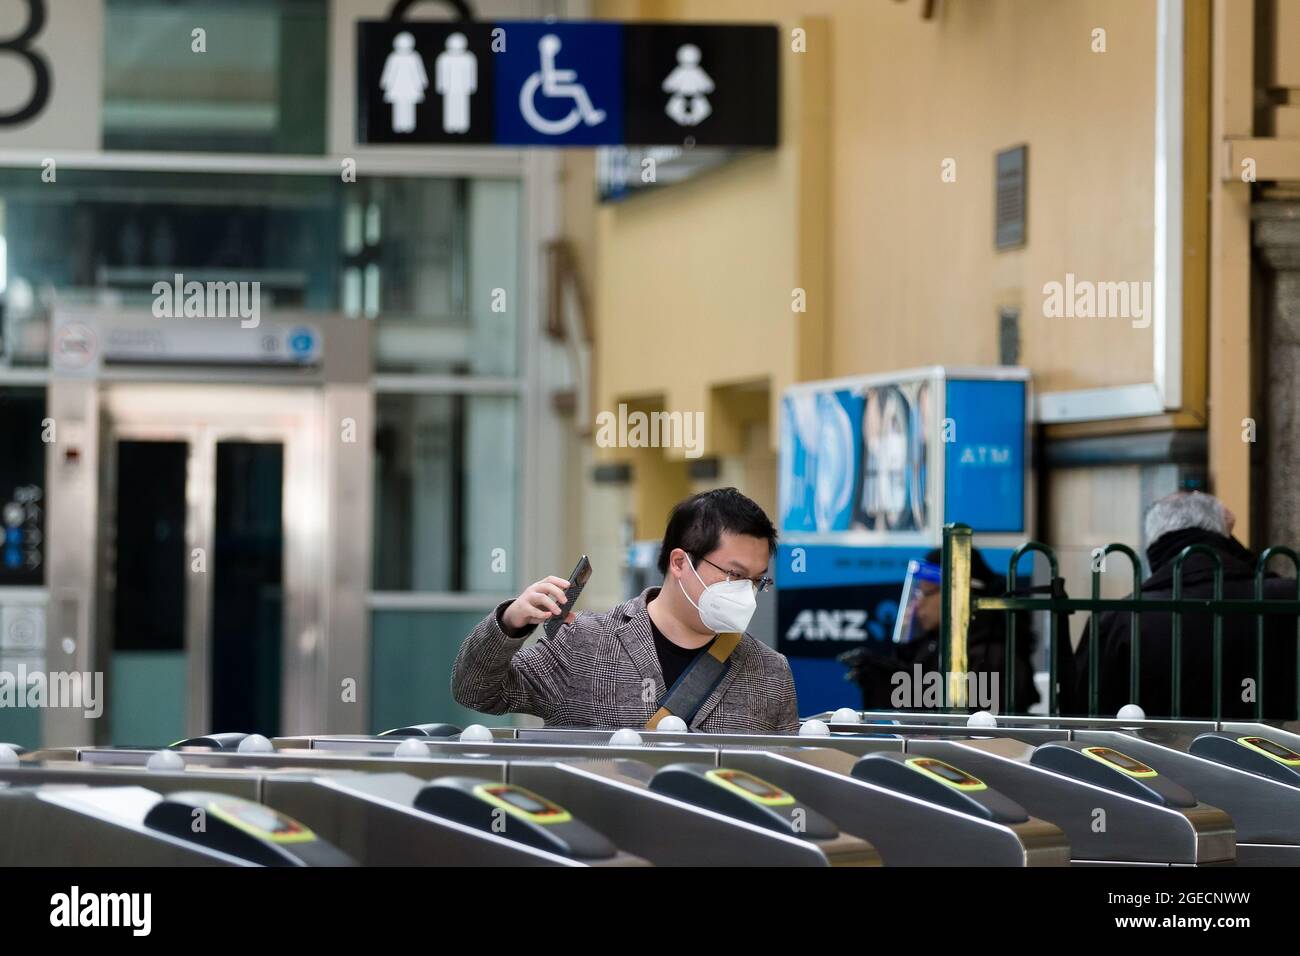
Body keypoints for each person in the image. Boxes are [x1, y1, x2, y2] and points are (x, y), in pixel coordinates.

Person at [451, 488, 799, 733]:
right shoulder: (585, 644)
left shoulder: (769, 671)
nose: (745, 592)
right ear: (680, 562)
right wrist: (511, 622)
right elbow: (476, 691)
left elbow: (783, 787)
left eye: (756, 581)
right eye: (734, 575)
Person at [1068, 491, 1299, 719]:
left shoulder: (1121, 620)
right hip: (1277, 751)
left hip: (1159, 755)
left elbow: (1083, 714)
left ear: (1154, 544)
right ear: (1225, 536)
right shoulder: (1286, 598)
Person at [841, 547, 1039, 713]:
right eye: (916, 593)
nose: (917, 604)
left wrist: (895, 688)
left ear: (959, 594)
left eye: (926, 593)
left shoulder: (995, 653)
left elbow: (962, 718)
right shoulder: (933, 642)